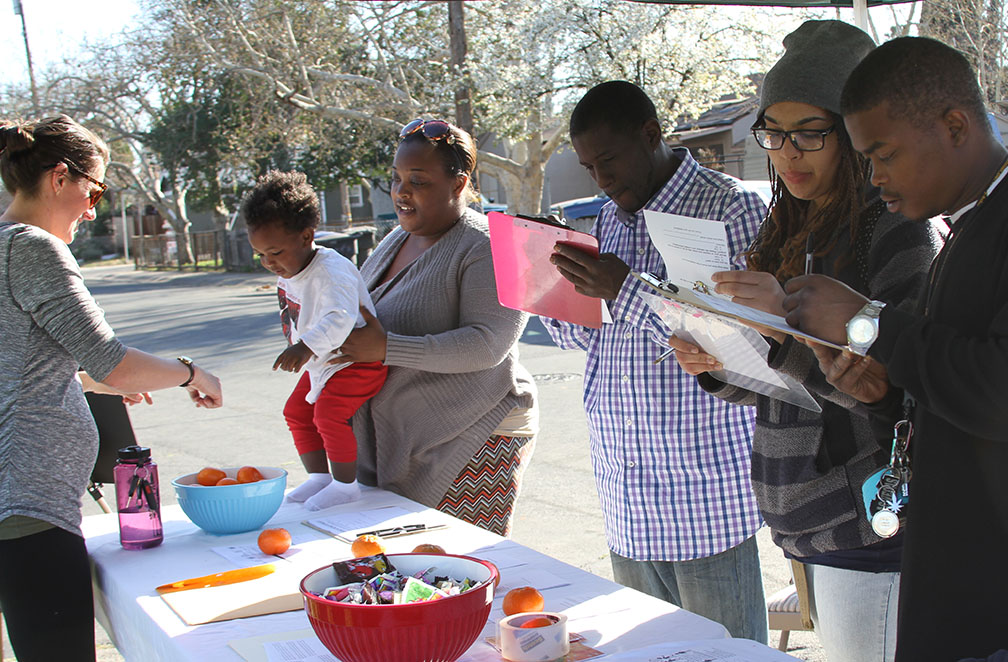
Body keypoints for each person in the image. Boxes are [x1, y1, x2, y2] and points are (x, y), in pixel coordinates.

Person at [668, 22, 940, 662]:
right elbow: (787, 378)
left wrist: (784, 337)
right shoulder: (789, 223)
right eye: (775, 133)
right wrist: (718, 363)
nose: (789, 153)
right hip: (808, 522)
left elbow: (900, 397)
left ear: (855, 129)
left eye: (811, 132)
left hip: (875, 527)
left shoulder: (900, 233)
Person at [781, 37, 1008, 660]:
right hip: (950, 563)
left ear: (955, 125)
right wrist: (883, 394)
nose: (874, 177)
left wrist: (868, 320)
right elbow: (950, 392)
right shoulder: (968, 221)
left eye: (884, 154)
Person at [541, 81, 768, 642]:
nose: (601, 179)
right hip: (626, 491)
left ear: (650, 134)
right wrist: (549, 286)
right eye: (590, 167)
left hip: (701, 493)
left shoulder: (729, 207)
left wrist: (626, 289)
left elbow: (743, 340)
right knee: (646, 653)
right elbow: (590, 343)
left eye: (609, 160)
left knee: (727, 654)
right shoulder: (613, 218)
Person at [0, 115, 223, 662]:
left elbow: (17, 368)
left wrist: (76, 383)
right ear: (59, 178)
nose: (94, 207)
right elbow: (115, 361)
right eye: (94, 189)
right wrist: (191, 372)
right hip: (29, 507)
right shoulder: (33, 249)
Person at [335, 119, 538, 537]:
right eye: (396, 179)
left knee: (455, 574)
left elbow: (488, 344)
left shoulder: (488, 246)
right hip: (403, 445)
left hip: (473, 438)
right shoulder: (395, 239)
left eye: (419, 180)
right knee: (402, 578)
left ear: (459, 183)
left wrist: (387, 348)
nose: (401, 191)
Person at [242, 170, 387, 510]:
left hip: (355, 362)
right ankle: (321, 478)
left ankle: (345, 485)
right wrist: (305, 348)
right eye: (261, 255)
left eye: (275, 252)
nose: (269, 262)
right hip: (323, 362)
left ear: (307, 236)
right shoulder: (291, 269)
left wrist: (305, 346)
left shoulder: (330, 271)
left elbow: (339, 318)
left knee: (328, 415)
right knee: (295, 411)